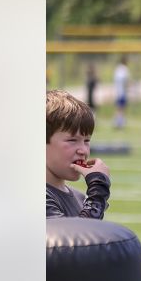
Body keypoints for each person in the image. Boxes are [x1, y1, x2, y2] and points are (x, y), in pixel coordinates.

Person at [46, 89, 111, 219]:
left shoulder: (80, 198)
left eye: (87, 141)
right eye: (72, 140)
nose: (83, 150)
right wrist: (98, 190)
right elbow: (76, 237)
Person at [112, 56, 130, 129]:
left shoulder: (117, 69)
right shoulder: (125, 69)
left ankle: (117, 122)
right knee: (122, 108)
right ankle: (120, 123)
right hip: (122, 92)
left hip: (117, 92)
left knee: (118, 108)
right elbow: (126, 81)